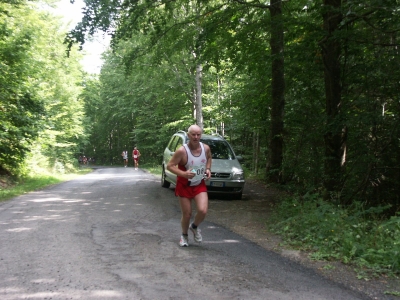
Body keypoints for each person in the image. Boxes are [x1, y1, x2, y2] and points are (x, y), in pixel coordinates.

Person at [167, 125, 212, 247]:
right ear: (188, 135)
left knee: (203, 210)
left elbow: (209, 158)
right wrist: (184, 174)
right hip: (184, 185)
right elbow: (169, 166)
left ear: (201, 135)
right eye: (193, 134)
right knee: (187, 214)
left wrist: (208, 169)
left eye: (198, 134)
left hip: (199, 184)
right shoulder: (182, 151)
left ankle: (194, 227)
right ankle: (184, 235)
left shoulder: (206, 148)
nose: (196, 137)